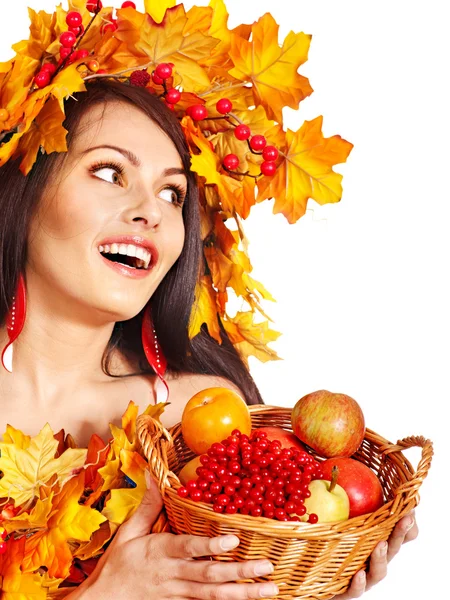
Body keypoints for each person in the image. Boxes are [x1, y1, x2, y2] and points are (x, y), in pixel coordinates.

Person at [0, 3, 418, 599]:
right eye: (110, 173)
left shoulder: (201, 416)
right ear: (27, 192)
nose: (152, 211)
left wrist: (310, 584)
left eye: (173, 192)